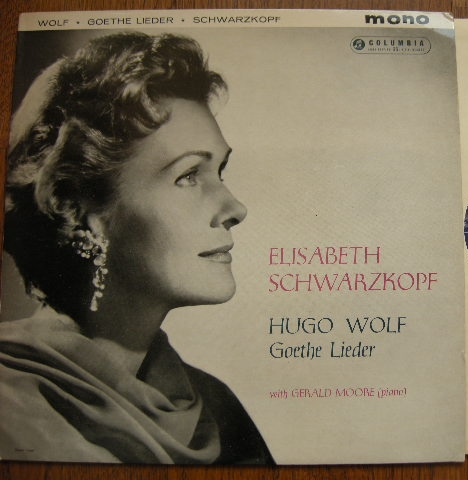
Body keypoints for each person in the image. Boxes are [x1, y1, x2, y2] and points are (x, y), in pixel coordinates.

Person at [0, 32, 273, 464]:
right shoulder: (9, 405)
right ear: (78, 207)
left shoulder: (219, 412)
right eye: (188, 176)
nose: (235, 208)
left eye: (220, 171)